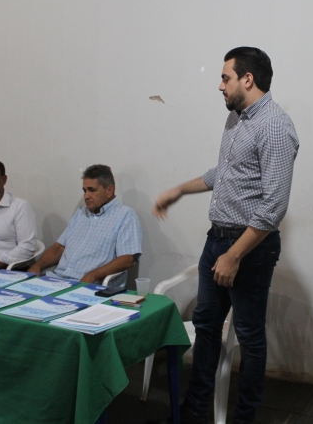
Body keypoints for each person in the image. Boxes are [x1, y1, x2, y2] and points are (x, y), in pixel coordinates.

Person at [153, 47, 299, 424]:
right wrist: (180, 190)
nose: (220, 86)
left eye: (225, 78)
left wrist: (234, 255)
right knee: (206, 327)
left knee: (249, 337)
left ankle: (244, 417)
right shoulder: (236, 118)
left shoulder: (275, 126)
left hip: (249, 248)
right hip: (216, 239)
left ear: (247, 79)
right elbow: (226, 172)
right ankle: (194, 411)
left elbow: (274, 205)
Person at [27, 165, 141, 287]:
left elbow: (127, 259)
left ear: (109, 190)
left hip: (90, 286)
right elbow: (60, 247)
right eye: (85, 190)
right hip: (57, 279)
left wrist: (92, 276)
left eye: (92, 190)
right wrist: (37, 266)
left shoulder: (125, 216)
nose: (86, 196)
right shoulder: (81, 213)